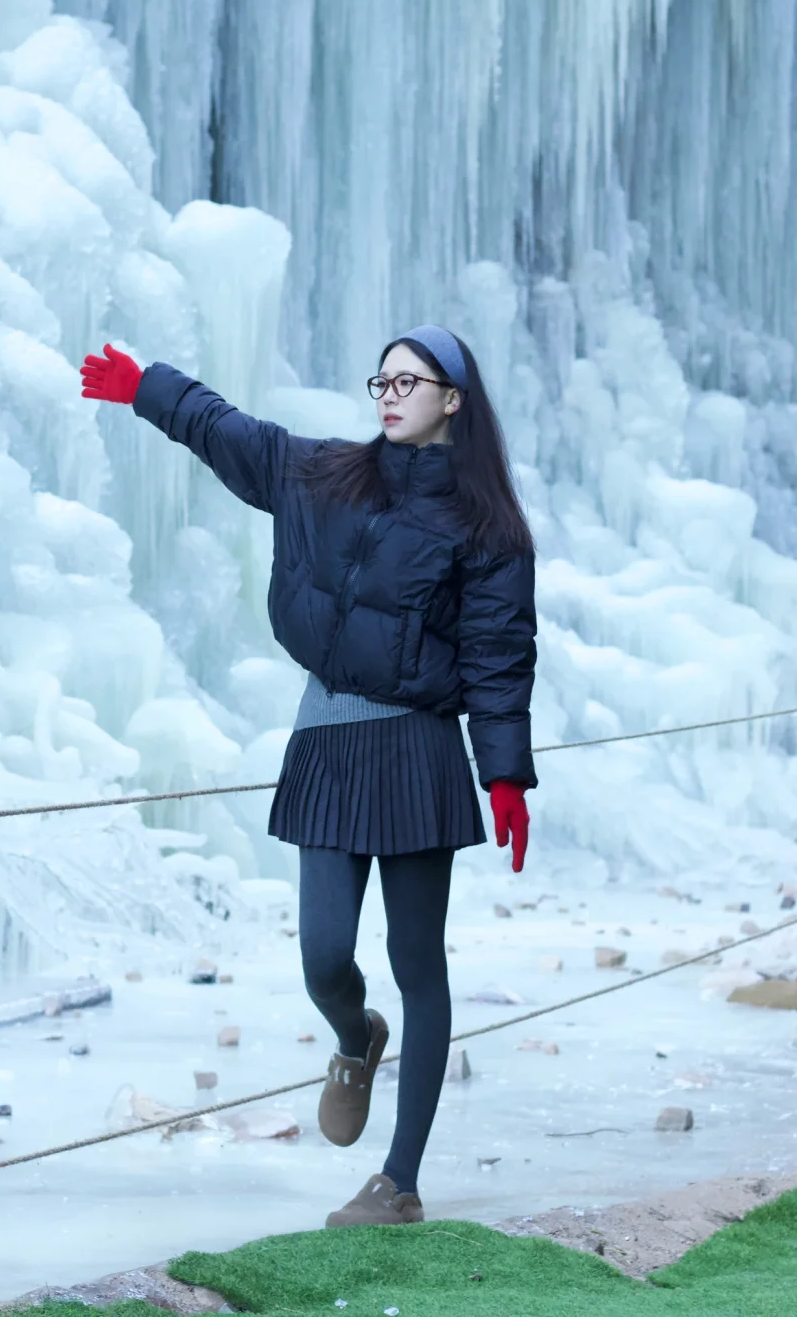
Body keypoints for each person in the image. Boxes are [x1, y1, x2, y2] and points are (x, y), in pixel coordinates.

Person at [80, 326, 536, 1228]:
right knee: (324, 956)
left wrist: (506, 774)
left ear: (454, 399)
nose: (390, 393)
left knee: (417, 962)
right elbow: (234, 435)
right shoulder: (329, 474)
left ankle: (398, 1183)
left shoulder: (488, 528)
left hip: (416, 750)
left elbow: (498, 653)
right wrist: (149, 388)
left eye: (411, 380)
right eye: (383, 379)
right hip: (327, 738)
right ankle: (353, 1037)